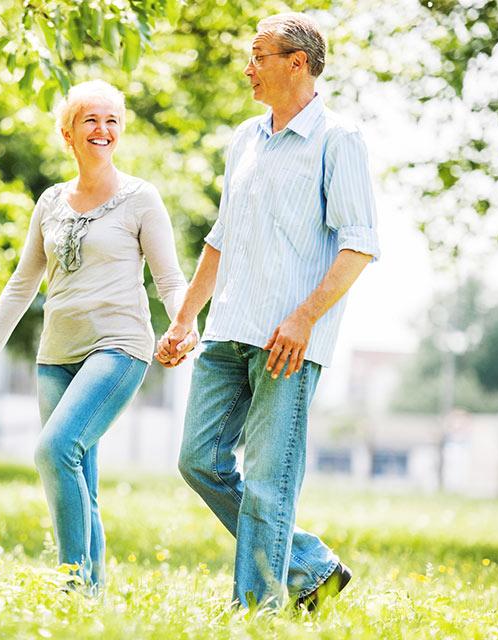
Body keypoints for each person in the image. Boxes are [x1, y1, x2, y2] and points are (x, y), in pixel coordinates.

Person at [156, 13, 381, 611]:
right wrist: (184, 318)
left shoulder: (340, 139)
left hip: (289, 341)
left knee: (267, 482)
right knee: (198, 461)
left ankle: (256, 610)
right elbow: (220, 238)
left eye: (260, 55)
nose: (248, 68)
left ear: (297, 63)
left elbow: (359, 244)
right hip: (228, 328)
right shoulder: (245, 139)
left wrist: (305, 318)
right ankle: (312, 565)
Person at [0, 80, 189, 594]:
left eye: (111, 121)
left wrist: (182, 325)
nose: (102, 130)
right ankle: (89, 601)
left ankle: (70, 584)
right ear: (68, 133)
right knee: (78, 475)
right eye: (90, 120)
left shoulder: (141, 198)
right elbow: (21, 286)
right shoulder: (50, 202)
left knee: (54, 450)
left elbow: (169, 280)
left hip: (119, 346)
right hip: (55, 357)